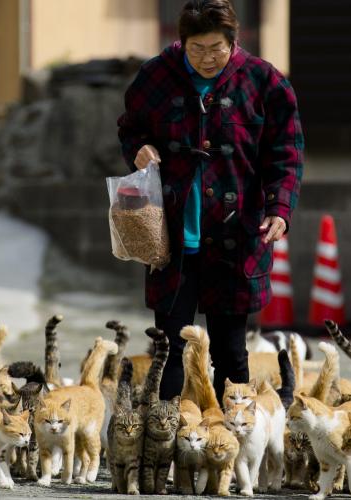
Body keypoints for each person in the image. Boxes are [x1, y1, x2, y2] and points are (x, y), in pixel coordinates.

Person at [117, 0, 303, 402]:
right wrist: (140, 149)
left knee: (231, 354)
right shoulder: (155, 77)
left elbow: (286, 152)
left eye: (215, 48)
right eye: (196, 48)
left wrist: (279, 210)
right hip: (171, 238)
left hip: (237, 236)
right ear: (181, 43)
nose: (205, 58)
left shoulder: (264, 81)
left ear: (233, 42)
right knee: (167, 350)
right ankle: (165, 447)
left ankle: (230, 450)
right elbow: (129, 128)